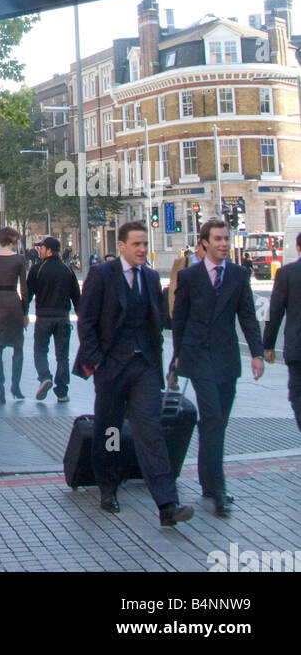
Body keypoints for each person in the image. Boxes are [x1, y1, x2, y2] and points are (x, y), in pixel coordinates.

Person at [73, 220, 193, 526]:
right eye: (136, 244)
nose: (142, 249)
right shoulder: (102, 275)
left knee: (150, 430)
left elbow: (157, 322)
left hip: (144, 367)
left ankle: (167, 503)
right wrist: (98, 361)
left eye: (144, 243)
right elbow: (85, 322)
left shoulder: (151, 278)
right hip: (111, 367)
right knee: (110, 429)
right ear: (122, 246)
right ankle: (108, 485)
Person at [172, 218, 264, 516]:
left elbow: (248, 316)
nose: (224, 243)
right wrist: (177, 358)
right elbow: (180, 320)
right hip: (198, 357)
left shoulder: (238, 275)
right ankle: (219, 489)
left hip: (226, 360)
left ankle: (208, 482)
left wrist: (257, 353)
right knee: (211, 416)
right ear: (205, 243)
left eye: (227, 238)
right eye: (219, 239)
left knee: (217, 423)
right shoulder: (189, 277)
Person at [28, 235, 80, 402]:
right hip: (63, 318)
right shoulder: (67, 270)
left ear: (49, 250)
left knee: (40, 351)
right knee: (62, 356)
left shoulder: (37, 269)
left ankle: (45, 377)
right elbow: (77, 297)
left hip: (43, 317)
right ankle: (62, 391)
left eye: (42, 248)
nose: (39, 251)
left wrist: (22, 313)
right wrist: (81, 317)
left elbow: (27, 294)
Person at [0, 226, 28, 404]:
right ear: (12, 240)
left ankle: (0, 389)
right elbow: (24, 288)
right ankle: (15, 386)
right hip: (13, 304)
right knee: (18, 346)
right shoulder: (19, 259)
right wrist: (25, 311)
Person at [263, 231, 301, 431]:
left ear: (297, 248)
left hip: (297, 348)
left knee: (298, 394)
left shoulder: (287, 274)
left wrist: (268, 345)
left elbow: (275, 311)